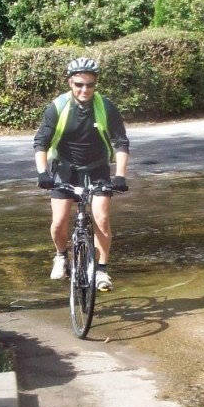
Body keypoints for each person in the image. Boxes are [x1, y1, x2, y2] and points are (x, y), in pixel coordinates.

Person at [33, 57, 130, 291]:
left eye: (90, 84)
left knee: (102, 219)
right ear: (70, 83)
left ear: (95, 84)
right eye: (79, 84)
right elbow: (41, 142)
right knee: (58, 222)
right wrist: (42, 172)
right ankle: (61, 256)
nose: (84, 89)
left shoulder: (105, 107)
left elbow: (121, 142)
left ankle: (102, 271)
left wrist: (120, 176)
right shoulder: (57, 107)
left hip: (97, 168)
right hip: (65, 169)